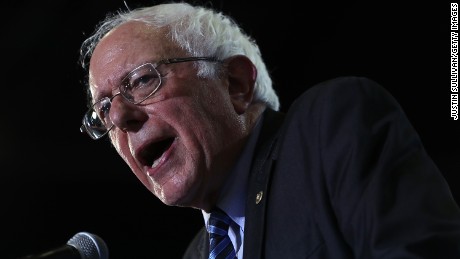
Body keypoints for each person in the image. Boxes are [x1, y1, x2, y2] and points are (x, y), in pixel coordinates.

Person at [78, 2, 460, 258]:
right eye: (104, 108)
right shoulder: (196, 254)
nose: (119, 118)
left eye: (143, 81)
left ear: (236, 84)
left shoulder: (326, 129)